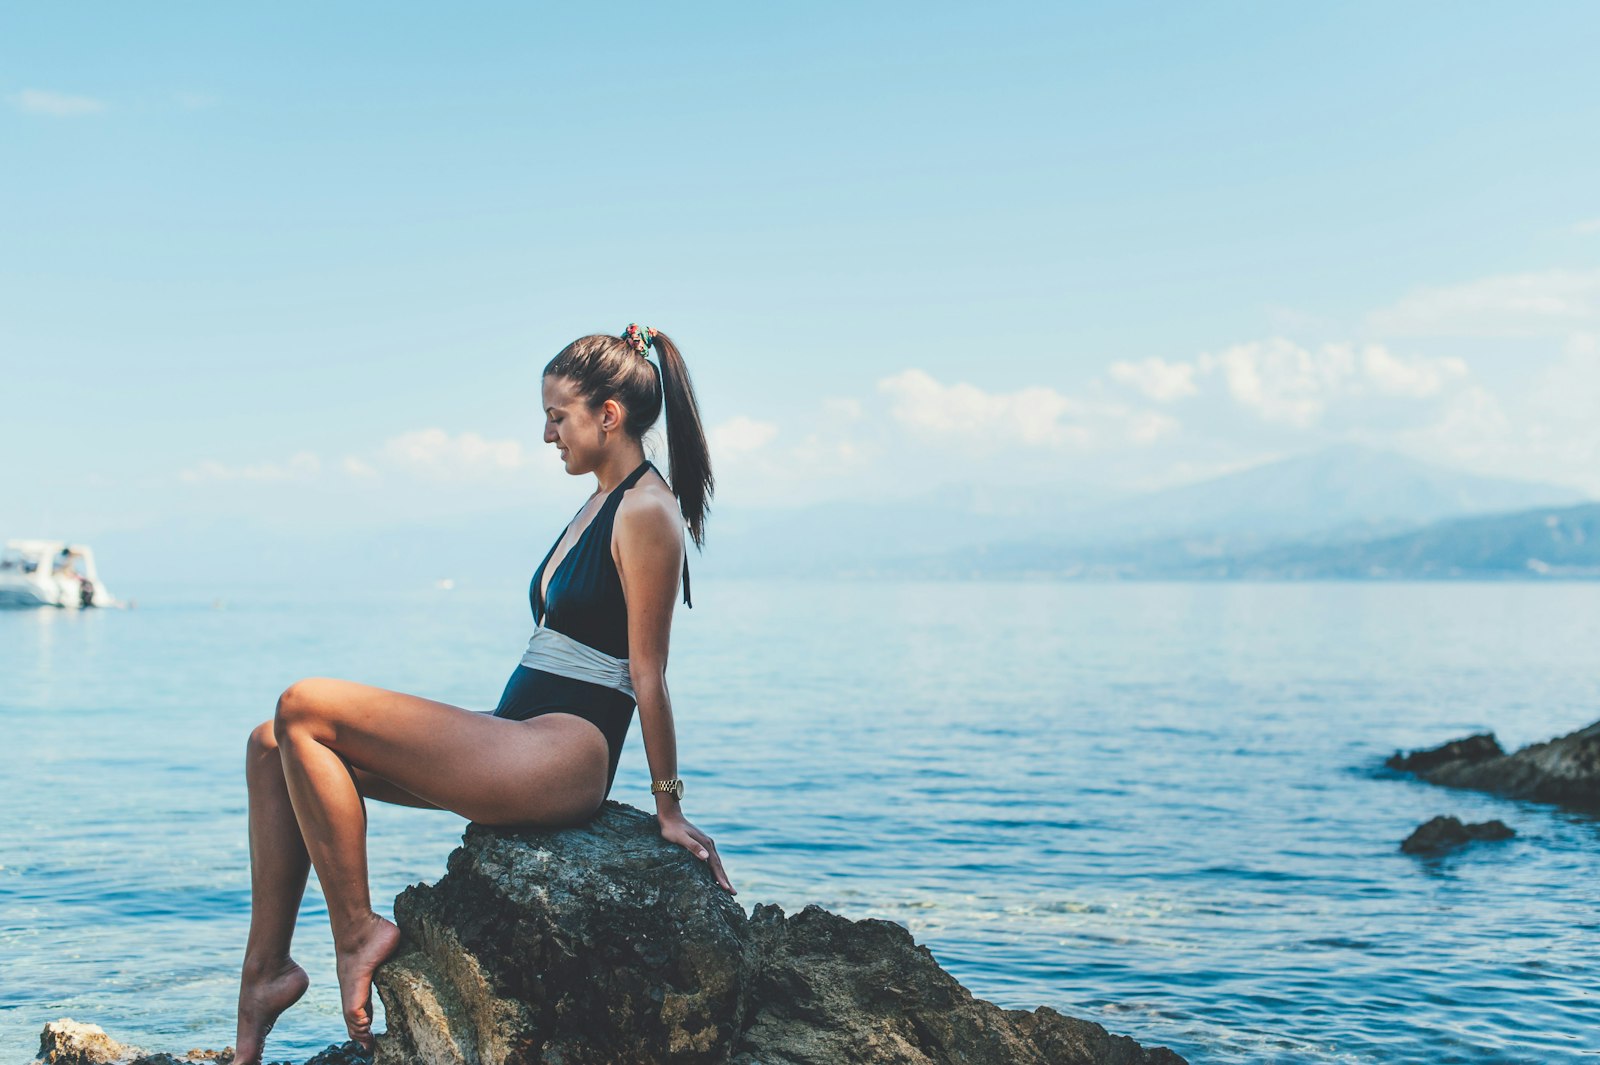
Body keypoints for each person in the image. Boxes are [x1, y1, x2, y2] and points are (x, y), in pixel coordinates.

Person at [232, 326, 732, 1064]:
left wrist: (668, 806)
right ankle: (266, 975)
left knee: (304, 702)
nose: (546, 432)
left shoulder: (645, 510)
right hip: (517, 736)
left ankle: (357, 935)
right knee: (272, 742)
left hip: (564, 754)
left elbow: (648, 673)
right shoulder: (598, 502)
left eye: (558, 415)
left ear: (609, 414)